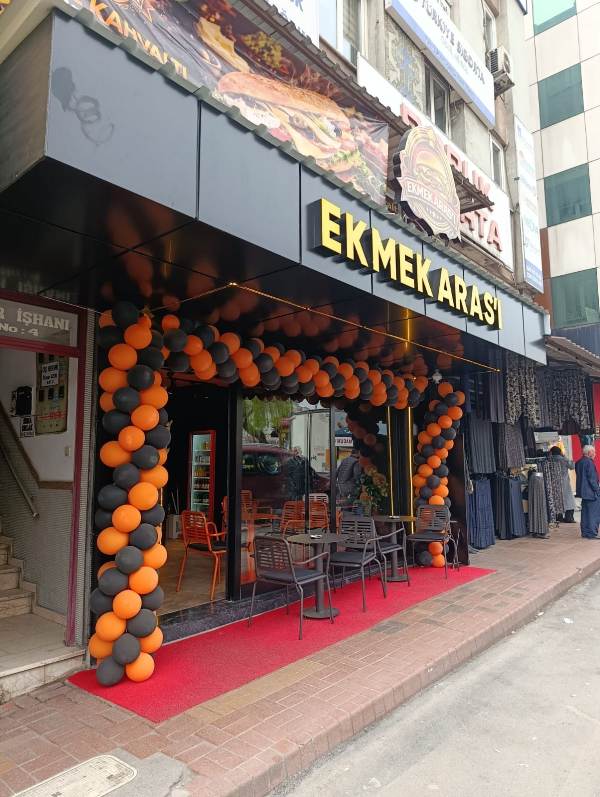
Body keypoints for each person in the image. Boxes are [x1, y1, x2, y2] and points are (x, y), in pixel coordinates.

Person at [575, 445, 600, 539]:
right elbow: (592, 479)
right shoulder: (589, 462)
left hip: (583, 492)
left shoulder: (579, 462)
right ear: (589, 453)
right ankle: (592, 533)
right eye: (594, 452)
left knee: (585, 513)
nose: (595, 454)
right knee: (593, 514)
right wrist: (597, 490)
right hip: (591, 492)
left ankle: (585, 532)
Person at [548, 446, 575, 523]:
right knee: (568, 500)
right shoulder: (564, 460)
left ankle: (558, 517)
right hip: (564, 483)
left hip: (553, 483)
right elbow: (572, 466)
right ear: (560, 452)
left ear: (551, 452)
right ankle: (569, 517)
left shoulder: (549, 460)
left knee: (556, 500)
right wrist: (564, 456)